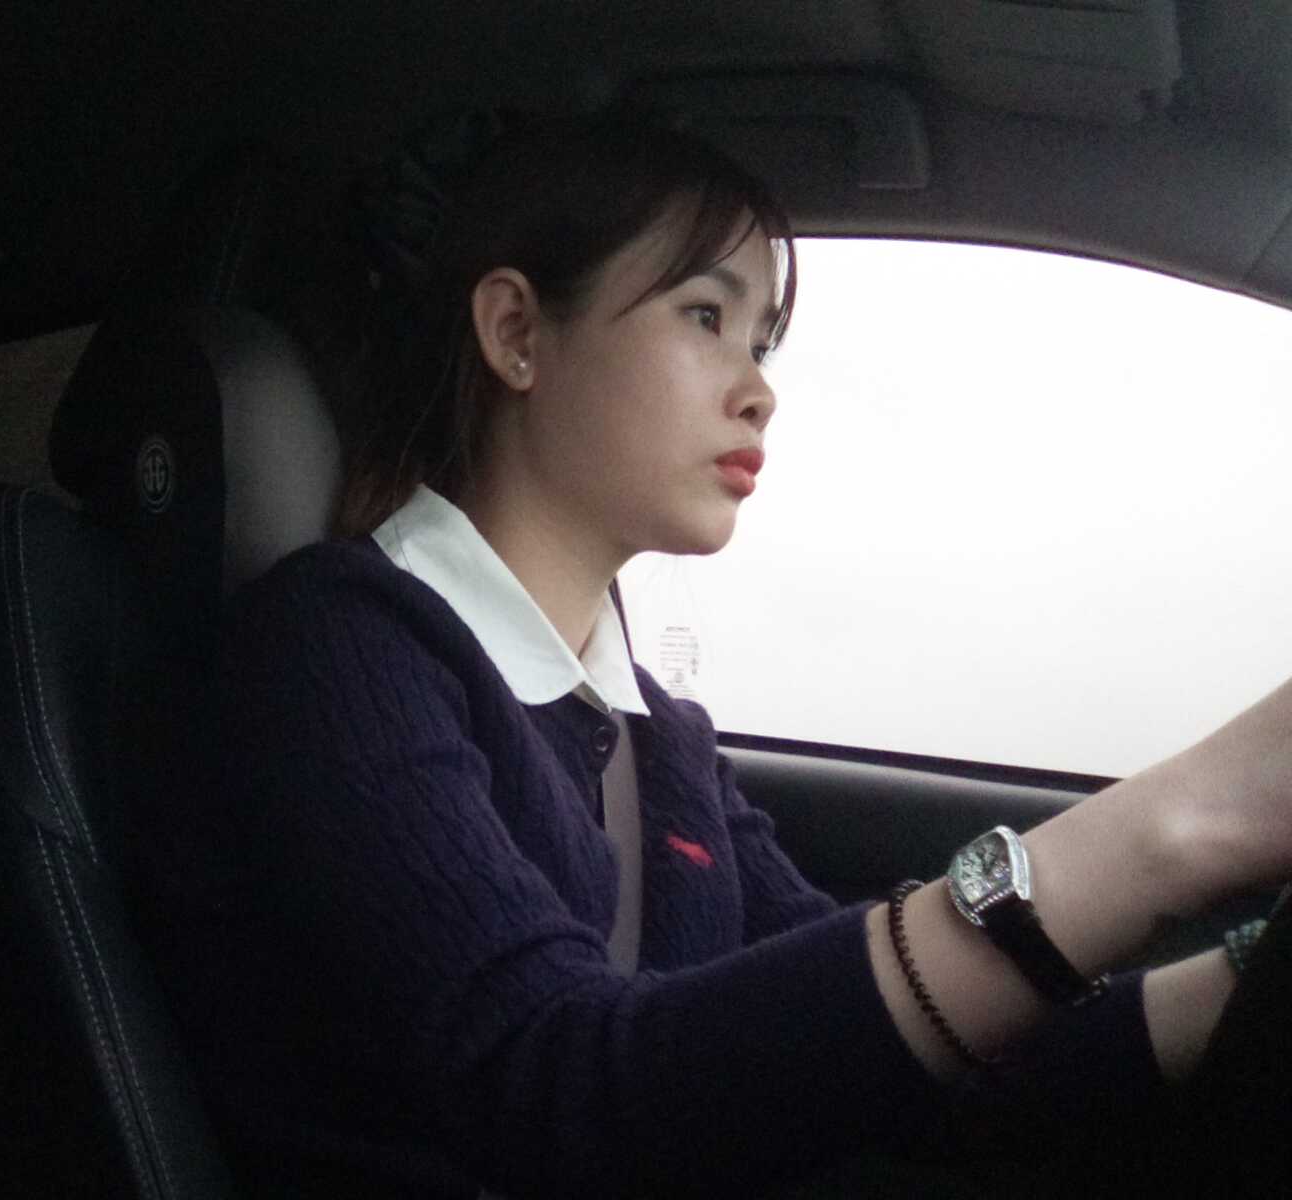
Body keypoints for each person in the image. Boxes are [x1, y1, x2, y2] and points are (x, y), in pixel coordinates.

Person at [143, 111, 1290, 1197]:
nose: (758, 393)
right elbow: (557, 1089)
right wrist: (1184, 824)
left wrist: (1245, 972)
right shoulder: (335, 652)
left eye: (762, 342)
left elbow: (907, 1053)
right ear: (516, 334)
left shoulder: (660, 743)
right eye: (705, 316)